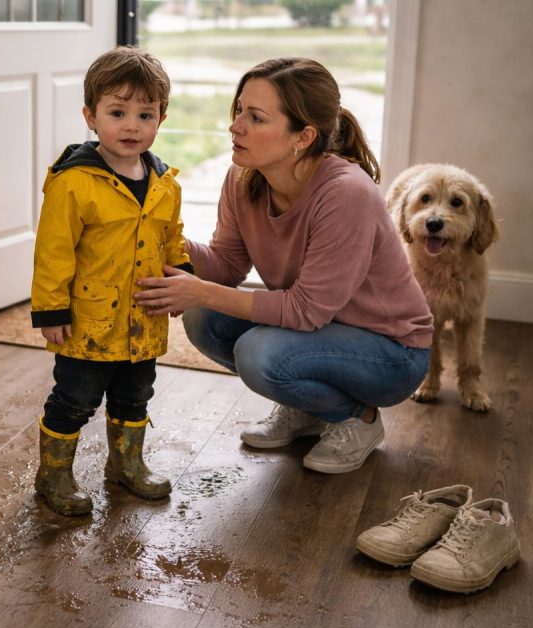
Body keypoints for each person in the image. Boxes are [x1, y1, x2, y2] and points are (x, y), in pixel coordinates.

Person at [133, 57, 433, 475]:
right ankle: (309, 409)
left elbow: (306, 311)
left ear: (303, 136)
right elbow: (226, 264)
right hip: (320, 333)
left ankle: (356, 419)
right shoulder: (244, 178)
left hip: (390, 352)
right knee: (205, 319)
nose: (236, 125)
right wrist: (159, 238)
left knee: (259, 353)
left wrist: (199, 290)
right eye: (239, 110)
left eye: (256, 117)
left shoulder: (346, 194)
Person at [30, 46, 193, 516]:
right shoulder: (74, 182)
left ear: (161, 118)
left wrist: (181, 274)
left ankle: (125, 464)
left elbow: (171, 238)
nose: (131, 125)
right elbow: (53, 251)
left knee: (135, 394)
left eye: (145, 114)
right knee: (75, 398)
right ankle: (54, 474)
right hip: (89, 319)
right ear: (91, 116)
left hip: (143, 318)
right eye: (117, 112)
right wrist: (51, 310)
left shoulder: (166, 183)